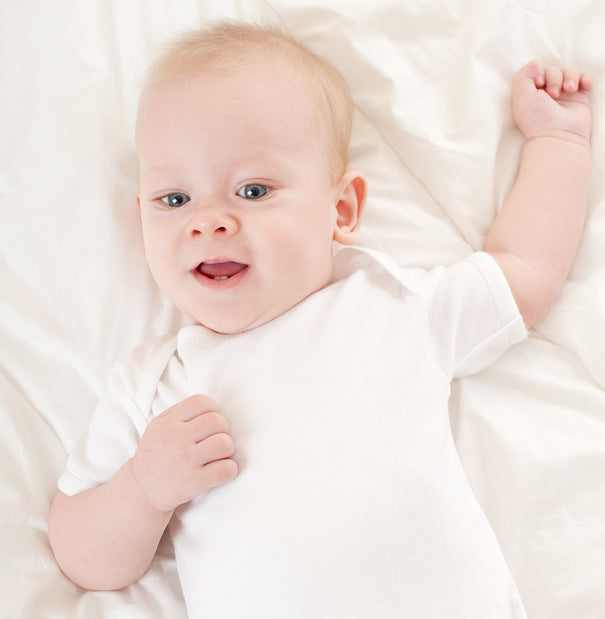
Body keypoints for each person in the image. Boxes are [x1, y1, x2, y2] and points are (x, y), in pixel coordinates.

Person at [48, 20, 592, 619]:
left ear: (341, 209)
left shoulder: (389, 307)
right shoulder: (155, 383)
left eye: (252, 190)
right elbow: (81, 554)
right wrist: (144, 489)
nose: (209, 222)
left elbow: (525, 270)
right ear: (144, 231)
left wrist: (559, 144)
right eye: (174, 200)